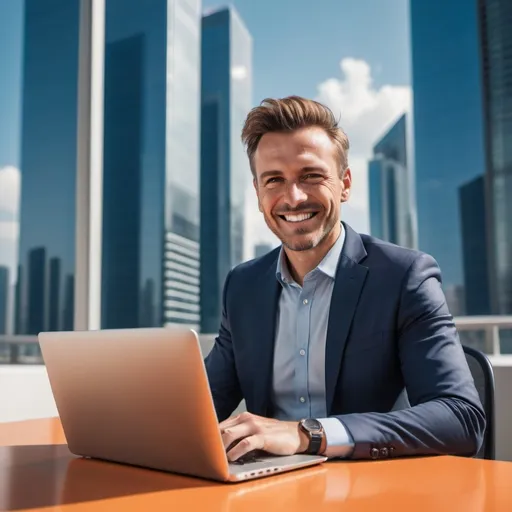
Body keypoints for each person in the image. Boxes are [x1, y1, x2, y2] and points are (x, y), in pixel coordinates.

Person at [204, 96, 485, 462]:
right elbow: (203, 405)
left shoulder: (404, 277)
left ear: (345, 184)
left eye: (311, 176)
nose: (293, 197)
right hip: (264, 489)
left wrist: (308, 434)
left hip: (370, 489)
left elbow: (461, 418)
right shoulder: (242, 286)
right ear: (258, 194)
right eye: (274, 180)